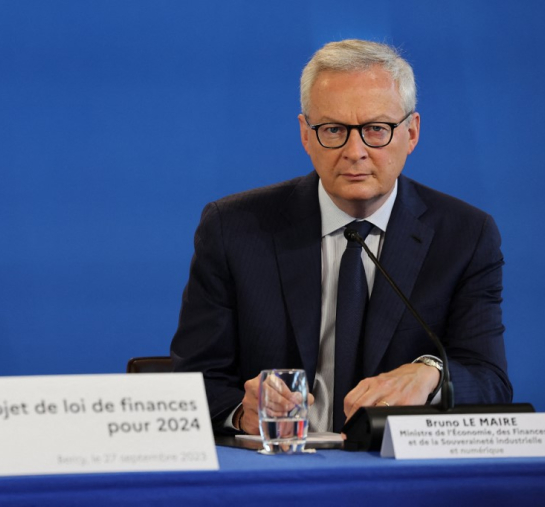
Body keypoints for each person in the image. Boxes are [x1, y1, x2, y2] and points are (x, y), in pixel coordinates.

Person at [170, 39, 512, 435]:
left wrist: (431, 375)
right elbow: (194, 382)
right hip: (278, 474)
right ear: (306, 134)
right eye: (333, 129)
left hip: (398, 478)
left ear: (412, 133)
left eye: (376, 129)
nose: (355, 151)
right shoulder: (233, 229)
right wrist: (243, 413)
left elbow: (490, 381)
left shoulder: (465, 236)